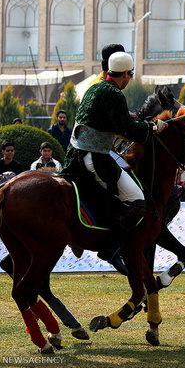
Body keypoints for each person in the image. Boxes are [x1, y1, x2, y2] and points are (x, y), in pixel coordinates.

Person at [61, 51, 166, 270]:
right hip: (93, 157)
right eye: (130, 74)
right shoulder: (115, 94)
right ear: (126, 73)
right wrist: (153, 128)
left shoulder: (95, 87)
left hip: (76, 154)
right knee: (138, 202)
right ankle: (110, 248)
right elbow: (126, 128)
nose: (129, 79)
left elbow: (114, 122)